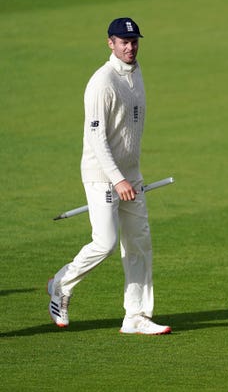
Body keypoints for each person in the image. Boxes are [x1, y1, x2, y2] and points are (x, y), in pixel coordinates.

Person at [47, 17, 171, 335]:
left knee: (139, 244)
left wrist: (130, 175)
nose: (130, 47)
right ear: (110, 43)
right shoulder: (102, 82)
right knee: (105, 242)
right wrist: (117, 179)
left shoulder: (137, 72)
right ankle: (61, 284)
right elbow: (96, 139)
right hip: (103, 175)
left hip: (131, 176)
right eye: (123, 42)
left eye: (134, 42)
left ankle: (137, 316)